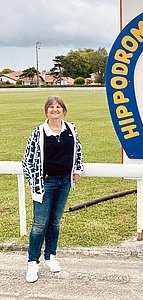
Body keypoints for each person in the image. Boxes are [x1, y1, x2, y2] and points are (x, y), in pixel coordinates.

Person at [22, 95, 83, 283]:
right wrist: (36, 182)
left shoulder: (71, 129)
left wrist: (77, 170)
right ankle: (33, 263)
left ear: (63, 110)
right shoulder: (39, 132)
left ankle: (50, 257)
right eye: (51, 107)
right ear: (46, 111)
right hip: (45, 183)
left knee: (55, 222)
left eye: (58, 107)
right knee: (39, 225)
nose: (55, 110)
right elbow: (27, 161)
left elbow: (78, 152)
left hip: (64, 182)